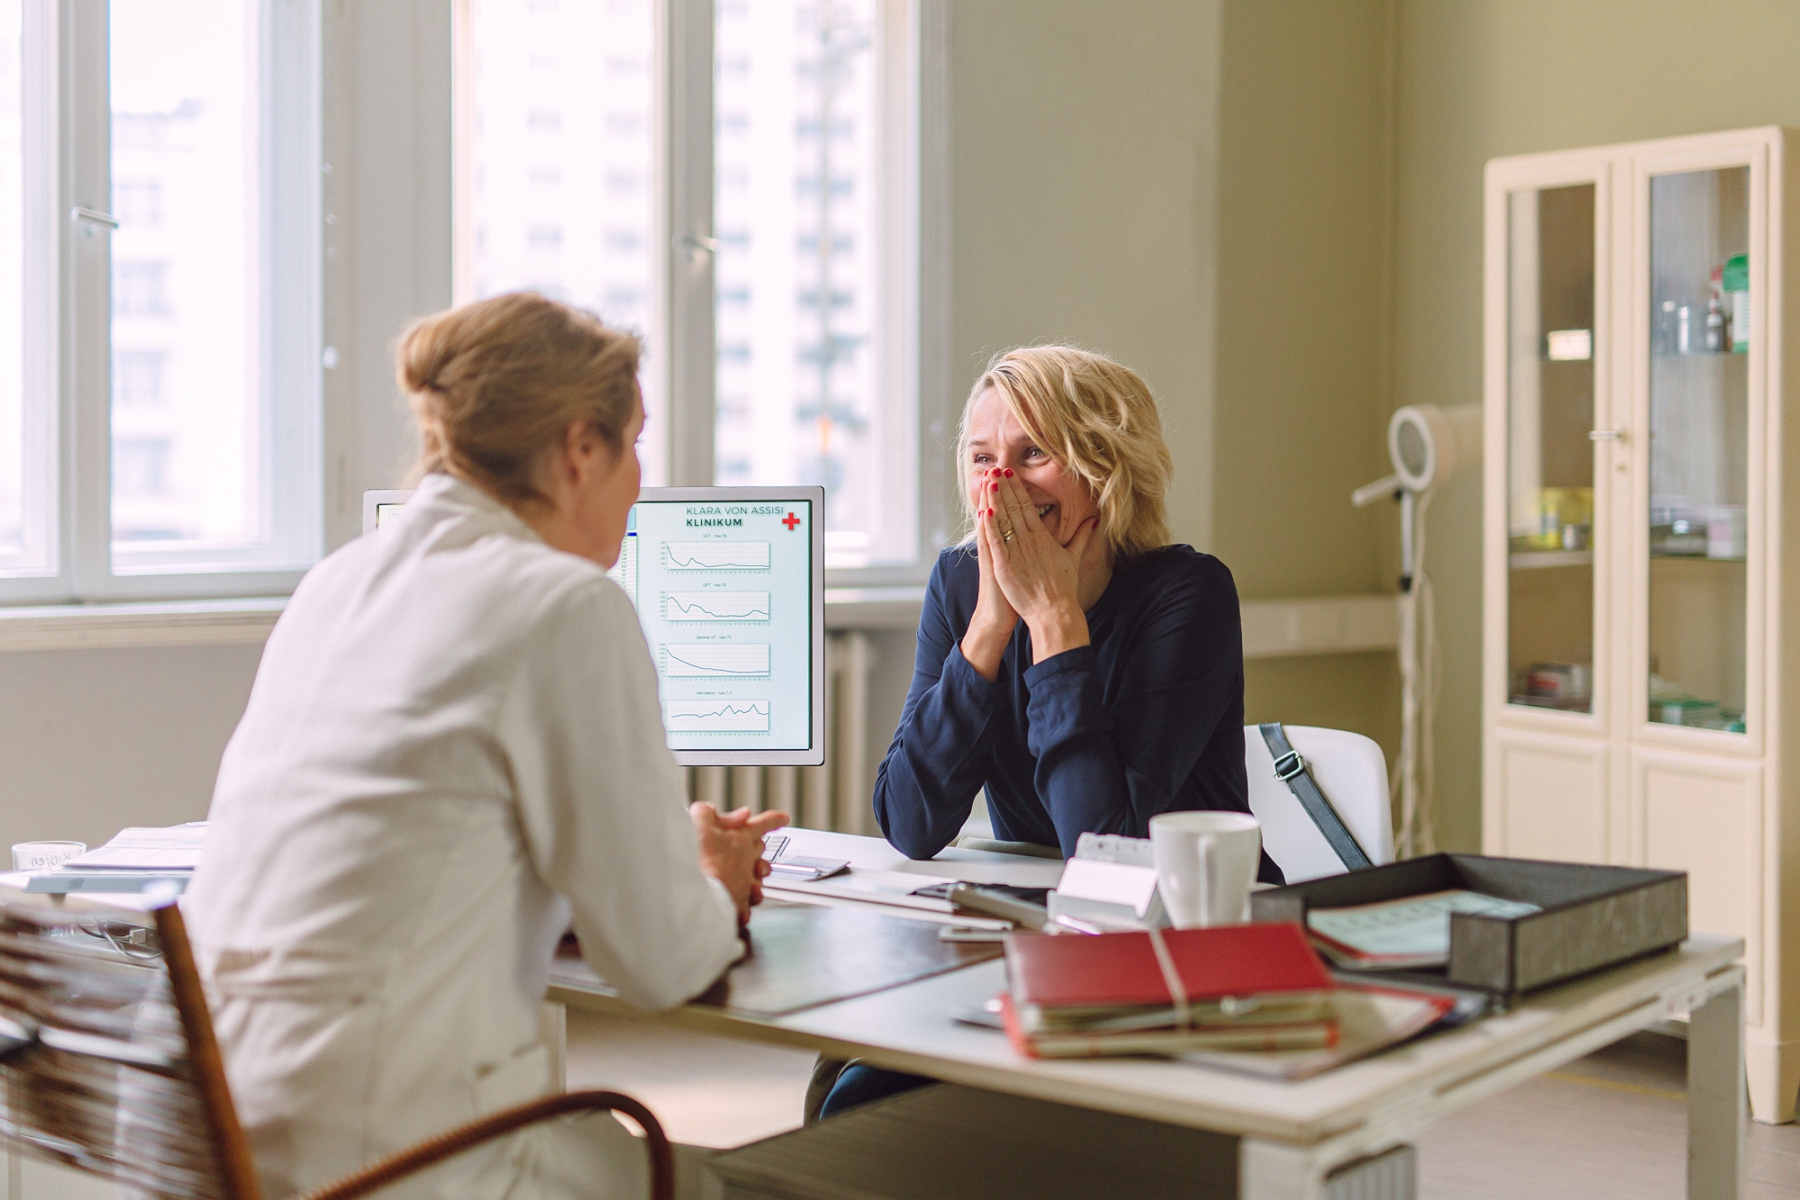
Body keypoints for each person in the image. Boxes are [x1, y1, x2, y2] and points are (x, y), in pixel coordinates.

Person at [183, 292, 787, 1200]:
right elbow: (663, 965)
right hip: (397, 1159)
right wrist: (713, 877)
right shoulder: (565, 606)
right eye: (633, 447)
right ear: (580, 448)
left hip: (227, 1137)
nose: (638, 482)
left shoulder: (336, 584)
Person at [815, 345, 1279, 1120]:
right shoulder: (960, 586)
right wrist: (993, 625)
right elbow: (909, 820)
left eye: (1033, 454)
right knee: (846, 1073)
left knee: (862, 1100)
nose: (1000, 484)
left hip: (1175, 947)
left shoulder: (1189, 594)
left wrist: (1056, 621)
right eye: (982, 457)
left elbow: (1104, 846)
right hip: (1045, 933)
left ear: (1105, 467)